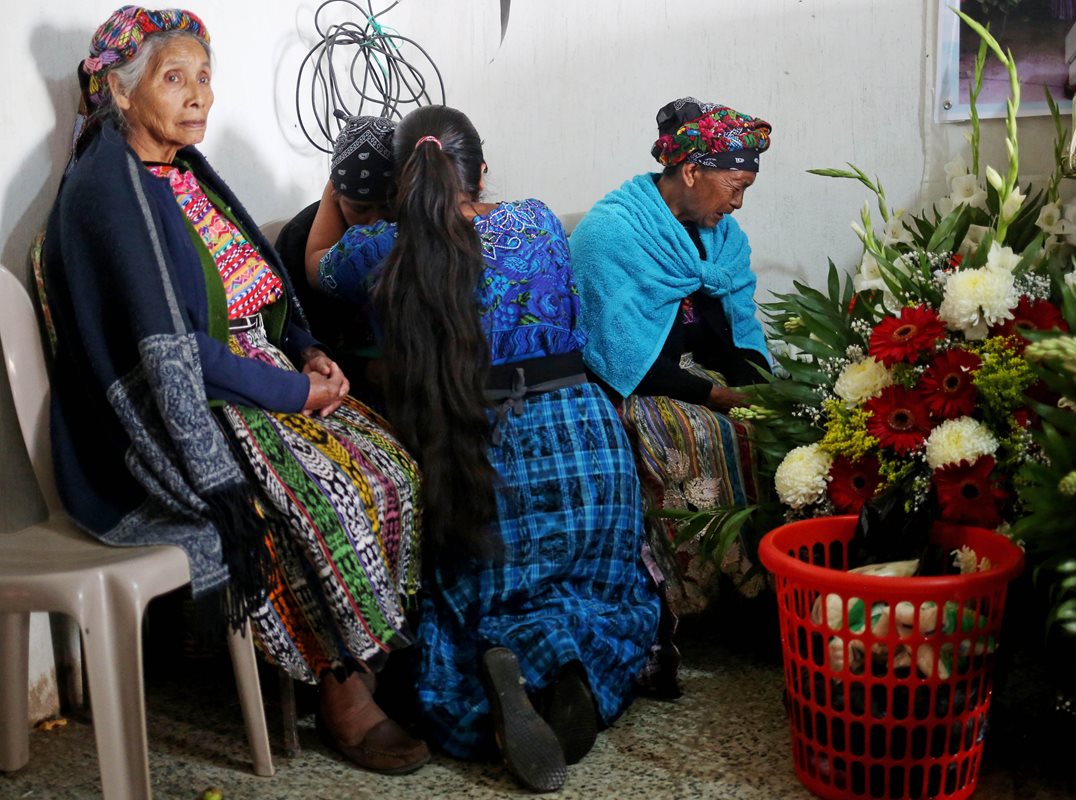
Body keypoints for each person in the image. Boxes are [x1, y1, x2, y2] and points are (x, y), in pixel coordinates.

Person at [41, 6, 427, 775]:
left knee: (395, 465)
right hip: (185, 408)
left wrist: (311, 353)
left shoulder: (181, 174)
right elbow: (177, 356)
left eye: (204, 77)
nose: (198, 96)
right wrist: (292, 394)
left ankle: (376, 655)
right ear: (119, 93)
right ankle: (343, 691)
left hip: (262, 376)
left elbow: (261, 287)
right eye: (173, 79)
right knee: (323, 495)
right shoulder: (109, 192)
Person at [370, 105, 664, 793]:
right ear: (484, 169)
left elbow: (316, 262)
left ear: (402, 180)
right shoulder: (533, 220)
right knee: (612, 594)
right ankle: (564, 674)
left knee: (479, 605)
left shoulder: (386, 248)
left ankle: (503, 657)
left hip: (485, 455)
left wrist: (343, 197)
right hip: (585, 446)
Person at [570, 97, 774, 616]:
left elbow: (731, 333)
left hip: (689, 371)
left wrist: (767, 390)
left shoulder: (721, 238)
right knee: (696, 433)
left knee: (778, 425)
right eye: (736, 188)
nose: (739, 205)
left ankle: (767, 585)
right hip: (629, 384)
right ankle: (691, 593)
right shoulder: (613, 232)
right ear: (690, 171)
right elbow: (622, 358)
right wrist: (724, 396)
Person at [273, 112, 396, 409]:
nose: (374, 221)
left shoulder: (414, 230)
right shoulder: (298, 240)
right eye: (360, 208)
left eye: (388, 206)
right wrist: (362, 371)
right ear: (335, 196)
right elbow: (289, 330)